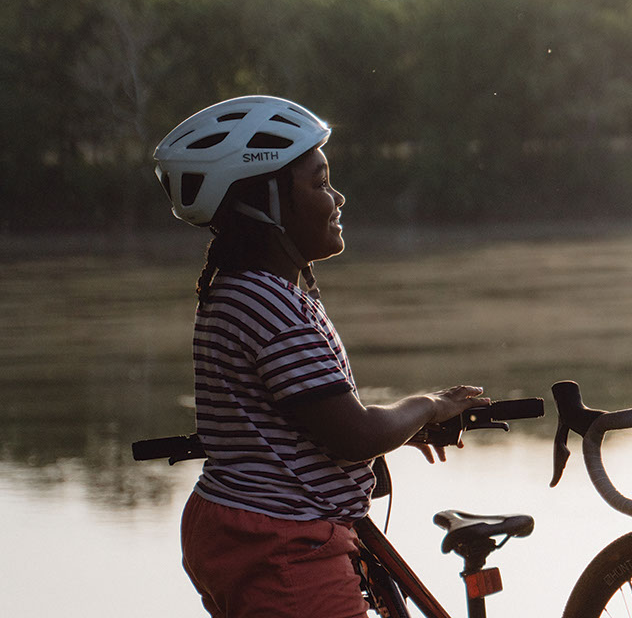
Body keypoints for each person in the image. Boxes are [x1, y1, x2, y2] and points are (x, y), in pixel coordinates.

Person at [153, 95, 489, 618]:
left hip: (246, 526)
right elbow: (352, 435)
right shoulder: (270, 306)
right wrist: (426, 406)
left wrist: (402, 427)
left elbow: (289, 419)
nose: (337, 198)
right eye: (319, 182)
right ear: (267, 204)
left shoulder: (247, 291)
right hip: (283, 545)